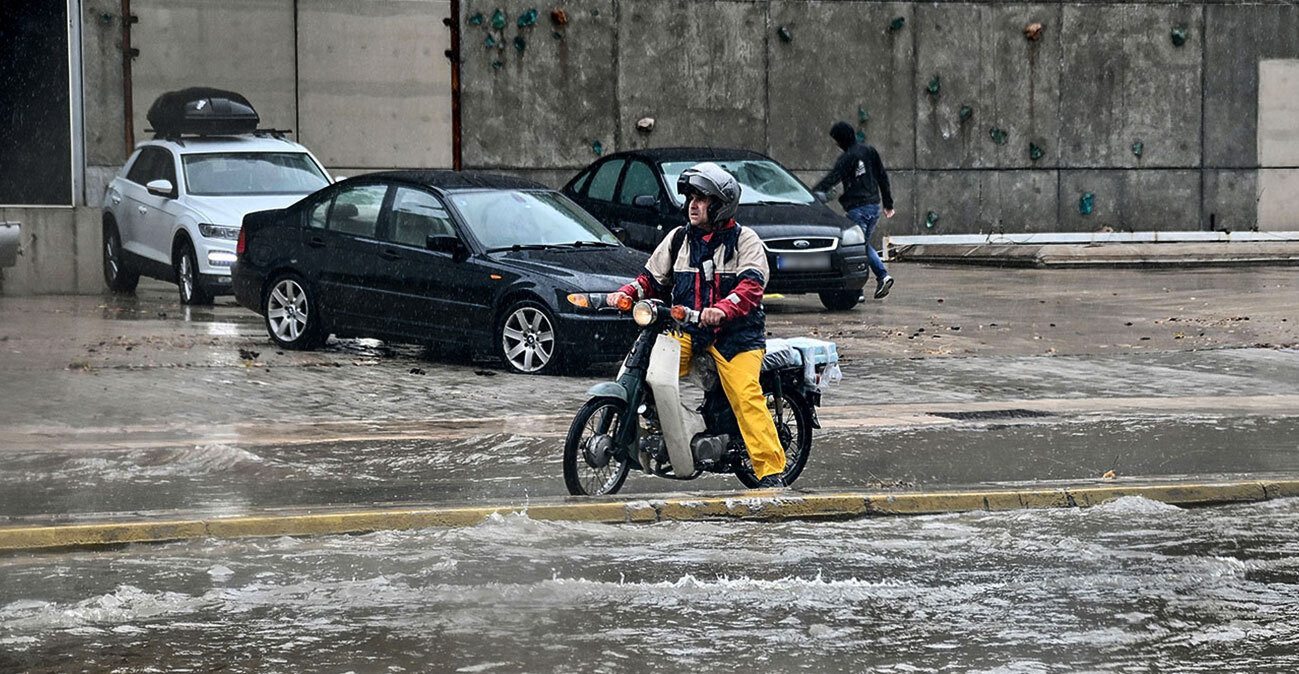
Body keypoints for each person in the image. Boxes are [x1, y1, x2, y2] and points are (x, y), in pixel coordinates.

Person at [607, 162, 787, 488]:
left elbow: (751, 287)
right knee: (648, 372)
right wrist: (626, 293)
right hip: (689, 331)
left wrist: (723, 309)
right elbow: (650, 278)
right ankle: (662, 436)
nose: (693, 204)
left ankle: (771, 471)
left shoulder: (745, 240)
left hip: (737, 338)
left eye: (702, 198)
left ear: (719, 205)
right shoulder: (678, 239)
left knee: (746, 397)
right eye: (691, 196)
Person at [813, 121, 895, 300]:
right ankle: (858, 290)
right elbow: (882, 176)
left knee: (858, 247)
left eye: (837, 140)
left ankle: (881, 276)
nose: (837, 144)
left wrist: (811, 194)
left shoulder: (847, 158)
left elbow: (832, 179)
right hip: (874, 206)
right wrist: (888, 203)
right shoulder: (869, 151)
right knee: (861, 245)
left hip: (858, 207)